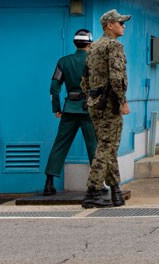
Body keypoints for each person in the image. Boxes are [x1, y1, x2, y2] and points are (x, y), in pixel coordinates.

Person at [81, 9, 131, 208]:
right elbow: (117, 78)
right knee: (106, 147)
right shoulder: (114, 46)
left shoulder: (93, 47)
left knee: (107, 147)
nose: (123, 26)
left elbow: (84, 79)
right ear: (110, 25)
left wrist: (91, 97)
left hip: (95, 102)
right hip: (109, 103)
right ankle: (92, 191)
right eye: (120, 23)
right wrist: (122, 101)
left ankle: (115, 192)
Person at [43, 29, 98, 196]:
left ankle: (49, 183)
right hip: (90, 109)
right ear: (90, 43)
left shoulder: (63, 62)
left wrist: (57, 108)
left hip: (69, 109)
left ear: (75, 43)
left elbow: (54, 88)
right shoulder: (95, 61)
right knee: (94, 145)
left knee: (60, 144)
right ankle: (96, 185)